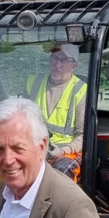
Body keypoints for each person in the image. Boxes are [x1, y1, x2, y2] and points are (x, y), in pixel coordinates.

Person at [26, 43, 88, 178]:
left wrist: (61, 151)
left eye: (64, 60)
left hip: (67, 152)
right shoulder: (34, 82)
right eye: (55, 58)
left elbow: (84, 136)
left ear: (73, 66)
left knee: (61, 172)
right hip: (35, 146)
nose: (57, 65)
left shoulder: (82, 91)